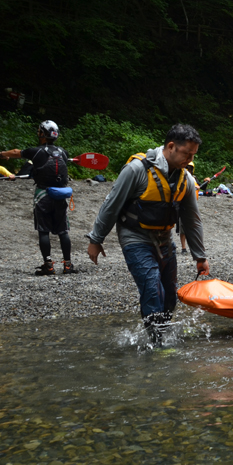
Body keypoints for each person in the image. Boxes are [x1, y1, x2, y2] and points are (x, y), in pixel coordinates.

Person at [86, 124, 209, 339]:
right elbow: (112, 204)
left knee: (169, 294)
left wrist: (200, 256)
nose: (190, 160)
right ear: (171, 146)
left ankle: (159, 333)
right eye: (187, 154)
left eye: (193, 155)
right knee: (152, 288)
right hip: (134, 236)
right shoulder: (136, 170)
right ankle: (156, 342)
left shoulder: (186, 180)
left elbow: (192, 221)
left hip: (164, 239)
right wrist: (96, 239)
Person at [0, 120, 77, 275]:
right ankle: (68, 265)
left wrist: (4, 154)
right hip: (61, 195)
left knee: (43, 231)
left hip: (43, 195)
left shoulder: (35, 151)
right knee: (63, 231)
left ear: (43, 133)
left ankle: (48, 265)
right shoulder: (63, 152)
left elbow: (16, 152)